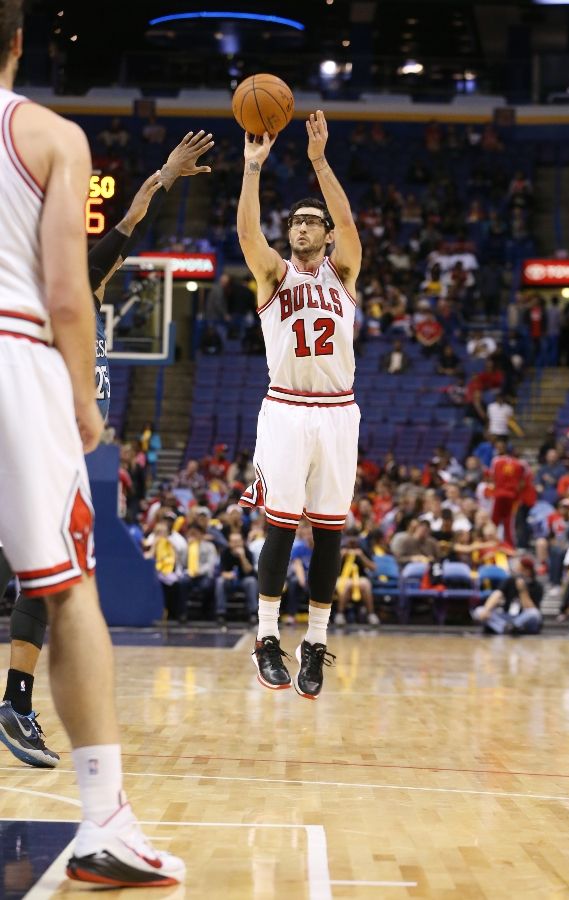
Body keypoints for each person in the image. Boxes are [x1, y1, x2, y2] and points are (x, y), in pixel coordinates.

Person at [0, 8, 189, 882]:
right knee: (69, 588)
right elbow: (70, 294)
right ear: (18, 42)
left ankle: (16, 699)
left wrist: (161, 181)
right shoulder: (48, 136)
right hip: (16, 350)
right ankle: (104, 821)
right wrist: (83, 395)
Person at [0, 128, 214, 769]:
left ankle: (16, 702)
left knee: (48, 581)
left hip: (54, 444)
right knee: (49, 581)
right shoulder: (67, 286)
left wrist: (165, 177)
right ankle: (15, 704)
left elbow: (129, 228)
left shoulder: (88, 293)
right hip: (39, 436)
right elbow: (128, 222)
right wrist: (164, 178)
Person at [237, 109, 361, 699]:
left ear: (327, 234)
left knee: (330, 532)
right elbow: (247, 235)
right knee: (282, 527)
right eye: (297, 222)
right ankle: (267, 638)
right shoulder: (274, 275)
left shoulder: (344, 273)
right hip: (286, 409)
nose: (303, 228)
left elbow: (348, 218)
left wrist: (318, 160)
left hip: (338, 411)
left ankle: (314, 642)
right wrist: (252, 169)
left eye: (312, 222)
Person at [471, 557, 543, 635]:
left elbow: (530, 608)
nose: (517, 571)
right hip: (506, 616)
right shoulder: (510, 580)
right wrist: (486, 610)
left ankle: (511, 627)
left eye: (520, 569)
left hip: (522, 617)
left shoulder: (537, 586)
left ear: (528, 571)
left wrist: (522, 591)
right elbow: (497, 594)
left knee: (534, 614)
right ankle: (507, 628)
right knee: (479, 611)